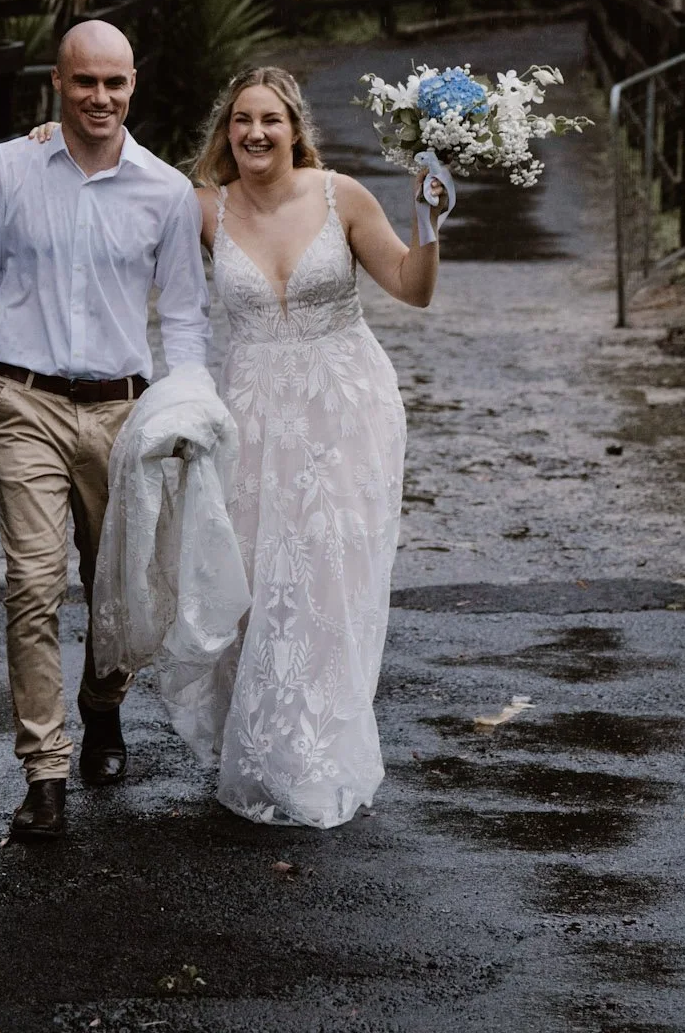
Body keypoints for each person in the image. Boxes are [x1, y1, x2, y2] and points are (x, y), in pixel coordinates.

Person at [0, 19, 210, 842]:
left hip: (124, 410)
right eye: (85, 82)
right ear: (59, 81)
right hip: (27, 404)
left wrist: (187, 412)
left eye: (115, 83)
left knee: (115, 586)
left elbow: (186, 319)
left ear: (133, 87)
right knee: (33, 585)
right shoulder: (9, 168)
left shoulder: (163, 190)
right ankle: (44, 773)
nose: (101, 98)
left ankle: (102, 705)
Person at [191, 65, 437, 828]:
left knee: (330, 575)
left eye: (270, 119)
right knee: (258, 580)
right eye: (241, 121)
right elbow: (114, 183)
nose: (255, 133)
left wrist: (431, 221)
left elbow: (412, 286)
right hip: (254, 413)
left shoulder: (342, 197)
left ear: (295, 128)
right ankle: (261, 744)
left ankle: (321, 751)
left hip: (345, 408)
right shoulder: (202, 207)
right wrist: (45, 140)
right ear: (225, 132)